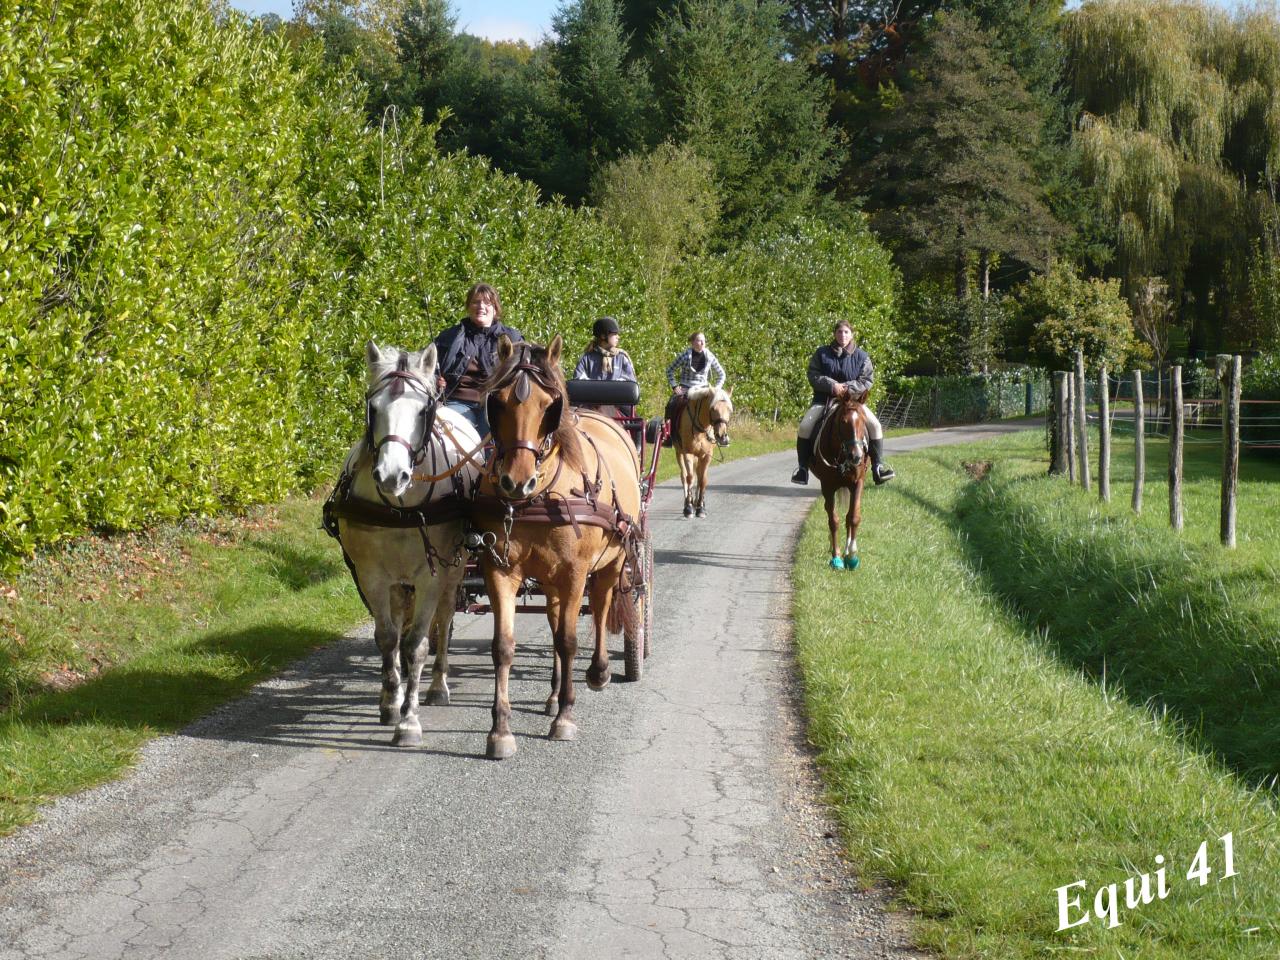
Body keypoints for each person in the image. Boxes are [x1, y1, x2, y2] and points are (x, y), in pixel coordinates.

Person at [791, 319, 895, 486]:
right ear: (834, 334)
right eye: (839, 332)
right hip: (825, 400)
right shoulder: (821, 353)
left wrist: (847, 388)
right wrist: (833, 386)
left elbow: (867, 380)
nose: (843, 335)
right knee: (804, 426)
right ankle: (802, 469)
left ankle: (878, 466)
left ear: (851, 334)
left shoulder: (862, 356)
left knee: (875, 426)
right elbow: (813, 375)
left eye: (846, 332)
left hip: (853, 403)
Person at [431, 282, 523, 439]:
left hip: (493, 404)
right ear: (468, 307)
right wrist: (435, 380)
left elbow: (523, 373)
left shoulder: (512, 338)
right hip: (456, 403)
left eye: (487, 303)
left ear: (495, 309)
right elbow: (427, 366)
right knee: (455, 442)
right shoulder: (450, 336)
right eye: (475, 302)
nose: (481, 306)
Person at [664, 331, 725, 427]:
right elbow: (669, 370)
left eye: (704, 340)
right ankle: (668, 434)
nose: (702, 342)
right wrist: (675, 386)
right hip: (685, 389)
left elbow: (722, 374)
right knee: (672, 404)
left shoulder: (709, 356)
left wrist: (716, 389)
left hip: (703, 390)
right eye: (699, 340)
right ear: (692, 342)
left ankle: (720, 433)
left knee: (718, 406)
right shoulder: (684, 356)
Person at [573, 316, 636, 382]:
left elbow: (631, 383)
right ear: (603, 336)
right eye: (615, 334)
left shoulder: (622, 358)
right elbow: (578, 382)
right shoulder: (586, 358)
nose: (618, 337)